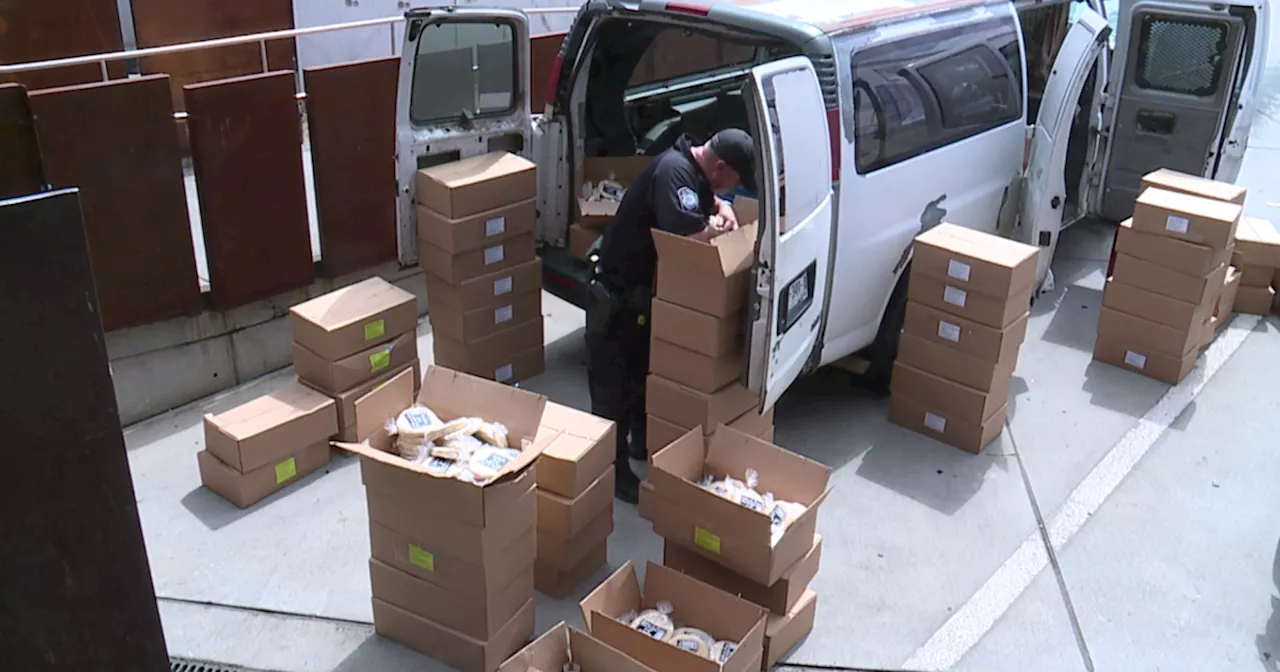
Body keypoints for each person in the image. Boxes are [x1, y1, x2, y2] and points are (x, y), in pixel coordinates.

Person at [585, 129, 757, 504]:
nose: (736, 186)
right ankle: (610, 472)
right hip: (614, 299)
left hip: (638, 300)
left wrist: (724, 207)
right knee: (611, 391)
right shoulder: (673, 171)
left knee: (636, 380)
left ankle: (637, 447)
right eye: (735, 180)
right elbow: (688, 237)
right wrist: (713, 228)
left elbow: (708, 202)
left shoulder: (693, 171)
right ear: (721, 166)